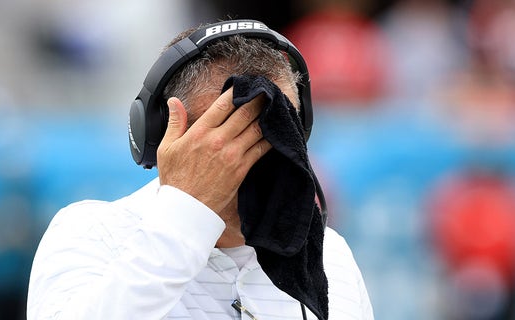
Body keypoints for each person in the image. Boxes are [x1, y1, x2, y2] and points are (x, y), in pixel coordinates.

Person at [27, 19, 374, 319]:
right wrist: (186, 212)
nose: (259, 158)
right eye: (229, 134)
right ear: (165, 136)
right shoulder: (93, 231)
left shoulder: (330, 255)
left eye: (282, 135)